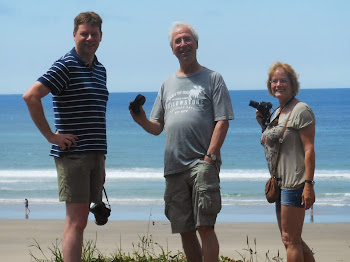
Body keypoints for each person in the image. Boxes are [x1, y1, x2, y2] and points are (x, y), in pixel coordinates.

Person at [130, 22, 234, 262]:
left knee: (205, 226)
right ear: (172, 49)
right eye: (178, 41)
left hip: (202, 163)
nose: (183, 44)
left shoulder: (213, 78)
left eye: (187, 39)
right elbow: (156, 128)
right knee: (185, 229)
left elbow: (222, 121)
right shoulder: (167, 84)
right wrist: (141, 119)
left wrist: (210, 158)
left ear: (196, 44)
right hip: (174, 167)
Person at [23, 12, 108, 262]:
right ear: (74, 35)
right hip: (73, 155)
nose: (89, 38)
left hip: (94, 154)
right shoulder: (65, 65)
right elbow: (31, 96)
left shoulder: (100, 69)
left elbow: (97, 116)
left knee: (81, 222)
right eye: (84, 33)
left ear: (101, 37)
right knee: (76, 221)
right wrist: (51, 136)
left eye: (94, 34)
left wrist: (101, 160)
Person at [256, 61, 316, 262]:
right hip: (280, 183)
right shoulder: (277, 112)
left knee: (291, 240)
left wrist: (309, 185)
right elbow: (273, 145)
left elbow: (309, 149)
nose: (278, 84)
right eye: (274, 81)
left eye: (283, 80)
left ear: (292, 83)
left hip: (295, 182)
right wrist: (263, 126)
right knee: (290, 239)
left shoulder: (301, 110)